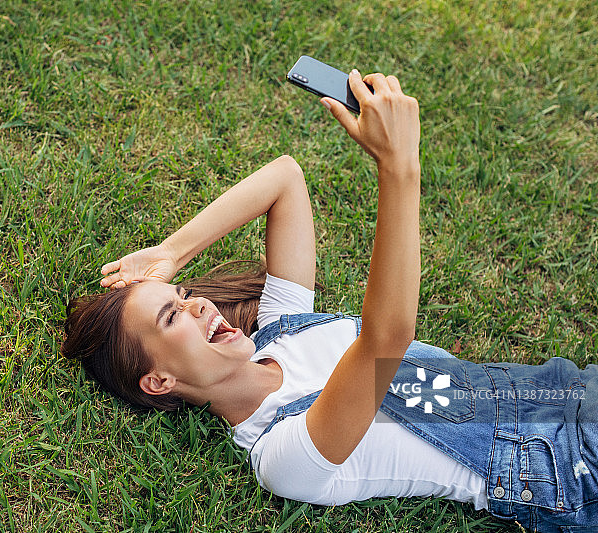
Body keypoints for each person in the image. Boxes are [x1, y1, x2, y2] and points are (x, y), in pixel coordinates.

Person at [63, 70, 598, 532]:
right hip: (569, 469)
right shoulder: (282, 454)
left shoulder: (284, 328)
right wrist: (399, 167)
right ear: (159, 381)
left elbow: (285, 178)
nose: (201, 303)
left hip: (558, 387)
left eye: (184, 294)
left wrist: (172, 252)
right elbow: (385, 342)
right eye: (172, 314)